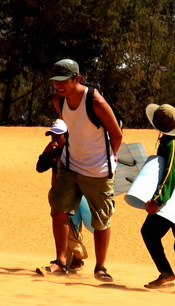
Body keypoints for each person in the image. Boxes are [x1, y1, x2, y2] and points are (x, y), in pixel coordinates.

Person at [47, 58, 123, 281]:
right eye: (56, 81)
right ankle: (60, 261)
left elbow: (116, 134)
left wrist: (109, 157)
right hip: (70, 165)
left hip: (98, 170)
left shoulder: (94, 100)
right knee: (58, 210)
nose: (59, 85)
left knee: (101, 220)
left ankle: (101, 267)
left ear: (76, 78)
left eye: (64, 80)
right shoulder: (58, 101)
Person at [141, 103, 175, 293]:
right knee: (149, 232)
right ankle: (166, 272)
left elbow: (171, 172)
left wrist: (157, 200)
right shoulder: (169, 141)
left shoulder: (172, 144)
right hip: (169, 198)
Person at [35, 118, 88, 271]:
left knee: (71, 226)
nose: (54, 139)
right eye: (52, 135)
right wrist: (46, 153)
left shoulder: (75, 151)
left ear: (67, 135)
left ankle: (76, 257)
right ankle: (70, 260)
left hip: (73, 194)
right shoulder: (53, 150)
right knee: (64, 225)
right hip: (57, 191)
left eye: (58, 136)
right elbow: (40, 168)